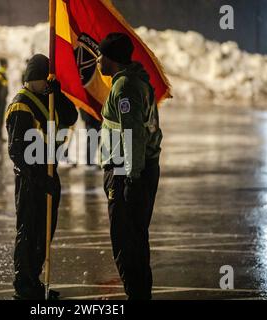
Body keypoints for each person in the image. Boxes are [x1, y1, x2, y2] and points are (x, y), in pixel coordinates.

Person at [5, 54, 78, 300]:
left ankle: (34, 280)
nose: (48, 83)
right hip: (30, 179)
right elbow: (17, 151)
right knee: (29, 232)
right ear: (33, 79)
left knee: (45, 232)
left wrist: (58, 94)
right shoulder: (21, 105)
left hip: (49, 173)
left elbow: (70, 117)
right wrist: (39, 178)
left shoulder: (48, 99)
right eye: (45, 79)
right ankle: (24, 285)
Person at [97, 33, 163, 300]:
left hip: (127, 172)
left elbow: (132, 133)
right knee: (135, 240)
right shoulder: (132, 81)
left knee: (126, 244)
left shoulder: (124, 87)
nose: (98, 60)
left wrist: (132, 178)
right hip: (134, 169)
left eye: (101, 55)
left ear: (111, 59)